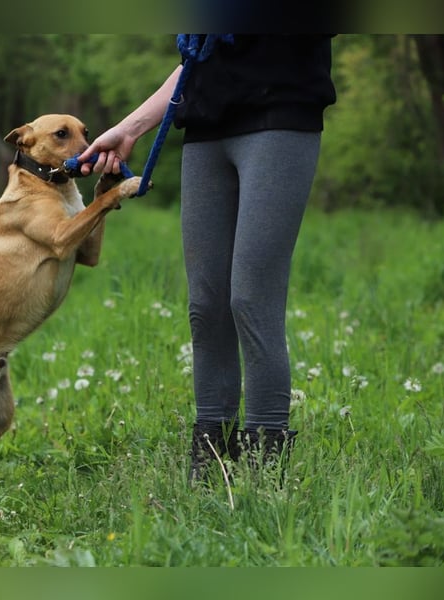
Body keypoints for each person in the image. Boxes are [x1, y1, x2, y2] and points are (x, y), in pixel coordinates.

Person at [78, 35, 336, 481]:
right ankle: (211, 459)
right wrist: (131, 127)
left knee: (252, 301)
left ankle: (263, 465)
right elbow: (197, 62)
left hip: (279, 123)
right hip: (205, 132)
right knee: (206, 306)